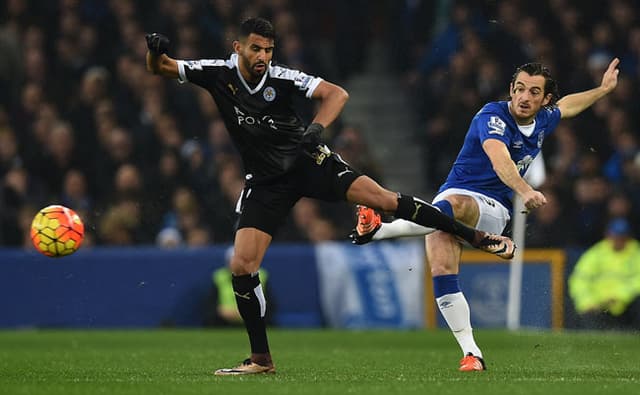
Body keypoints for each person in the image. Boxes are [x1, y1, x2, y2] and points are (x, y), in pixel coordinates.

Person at [145, 17, 515, 376]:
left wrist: (316, 128)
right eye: (256, 49)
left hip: (307, 161)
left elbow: (336, 94)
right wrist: (153, 52)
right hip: (266, 181)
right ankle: (261, 359)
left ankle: (477, 236)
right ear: (238, 47)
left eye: (269, 50)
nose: (263, 57)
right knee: (242, 266)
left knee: (384, 199)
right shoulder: (217, 72)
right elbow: (162, 67)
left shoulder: (281, 76)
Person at [353, 58, 620, 371]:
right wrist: (526, 190)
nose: (524, 97)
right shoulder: (492, 115)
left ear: (545, 100)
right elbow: (499, 158)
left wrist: (602, 90)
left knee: (453, 208)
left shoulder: (544, 119)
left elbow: (569, 106)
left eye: (534, 92)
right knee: (441, 266)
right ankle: (472, 354)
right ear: (511, 90)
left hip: (491, 208)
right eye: (519, 89)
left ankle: (379, 230)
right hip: (449, 199)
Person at [568, 218, 640, 330]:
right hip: (598, 305)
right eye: (616, 236)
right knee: (585, 316)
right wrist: (587, 302)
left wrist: (619, 296)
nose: (618, 240)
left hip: (625, 304)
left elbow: (637, 281)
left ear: (628, 237)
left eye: (622, 236)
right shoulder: (596, 254)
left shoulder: (636, 253)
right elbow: (579, 281)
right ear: (608, 235)